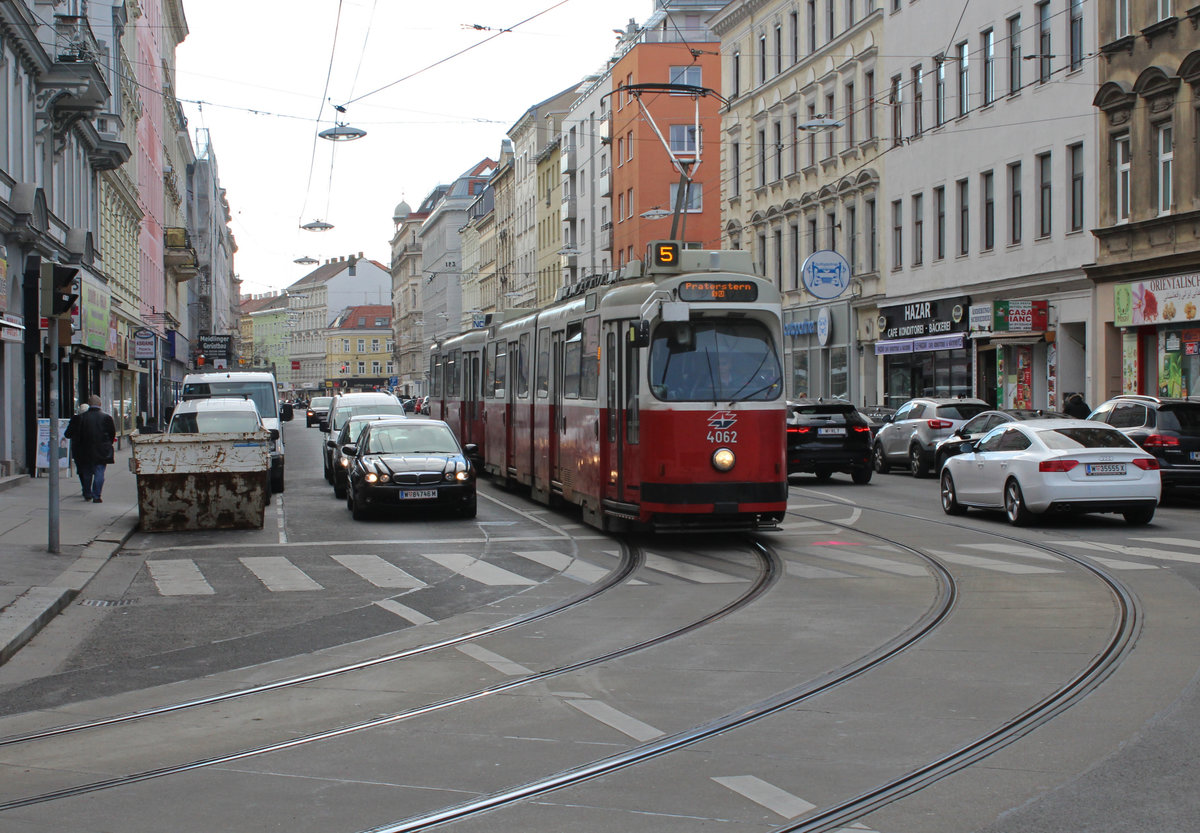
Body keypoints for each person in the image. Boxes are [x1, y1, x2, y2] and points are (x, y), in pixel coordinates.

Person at [64, 394, 116, 503]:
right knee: (99, 472)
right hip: (102, 450)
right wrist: (107, 444)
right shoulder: (106, 418)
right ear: (100, 404)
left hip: (85, 449)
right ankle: (97, 495)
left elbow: (70, 434)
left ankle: (87, 493)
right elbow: (112, 434)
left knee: (86, 472)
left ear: (89, 404)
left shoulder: (80, 418)